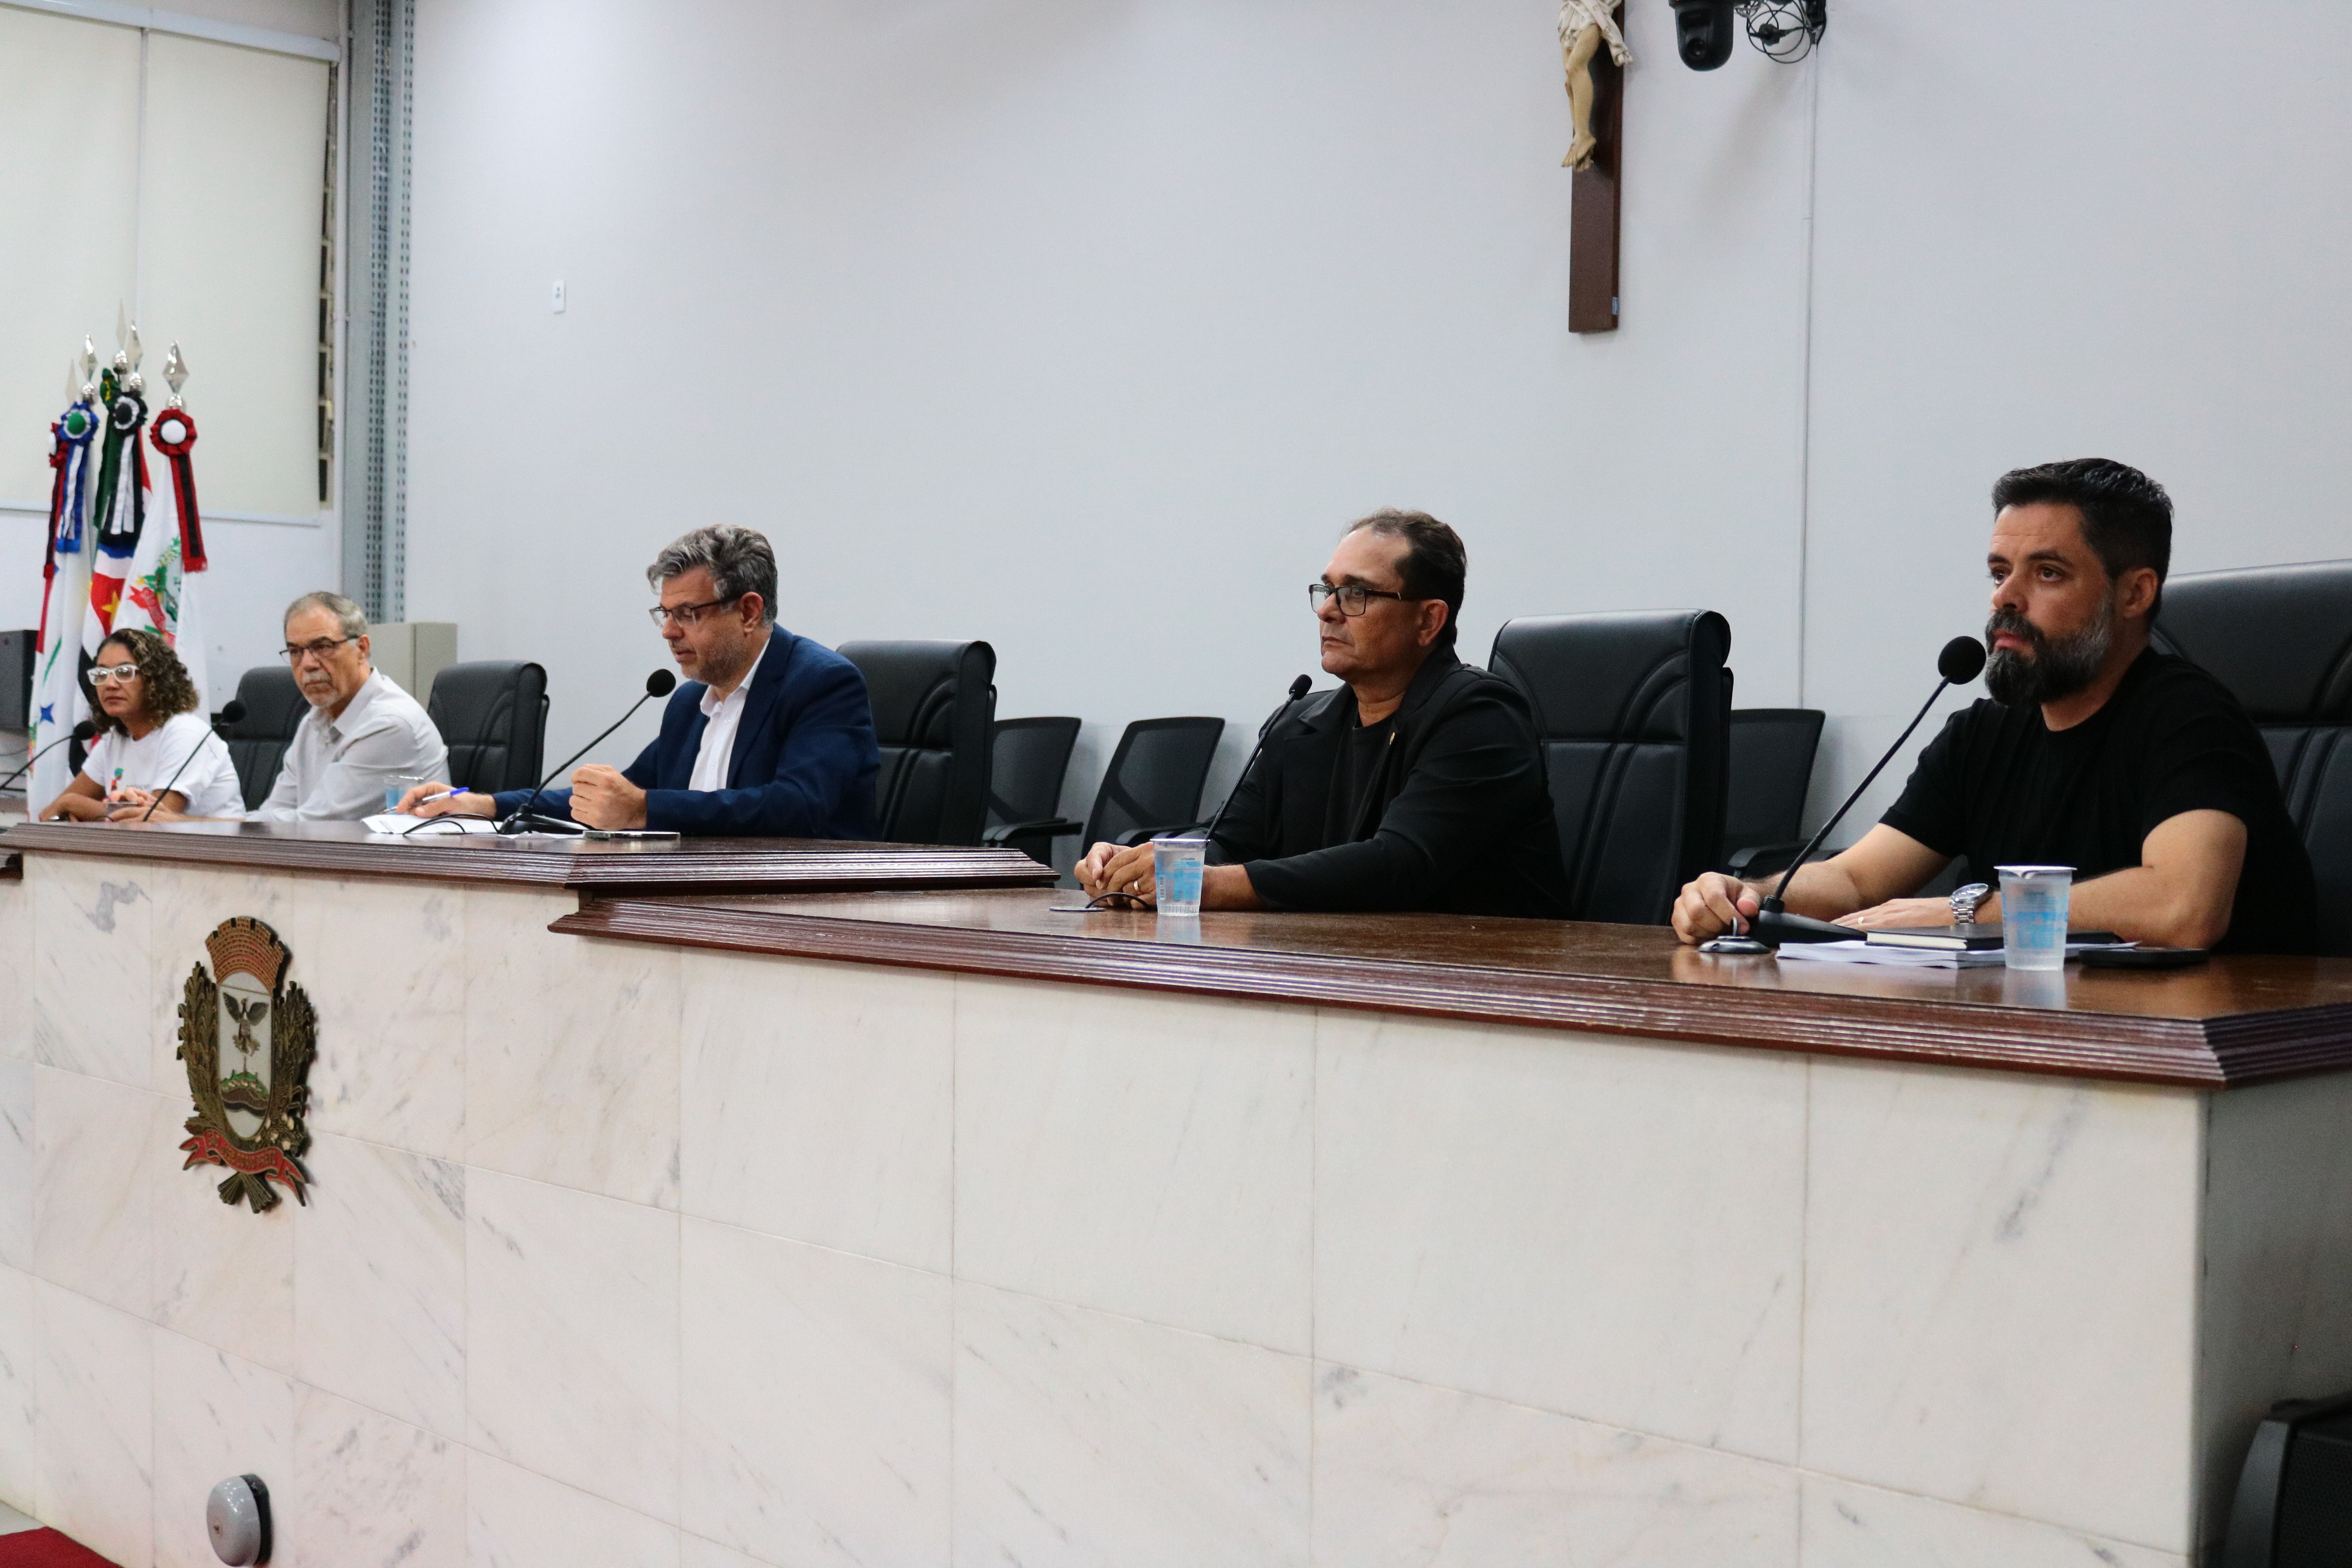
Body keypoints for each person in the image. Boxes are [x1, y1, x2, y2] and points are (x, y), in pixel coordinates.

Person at [1673, 458, 2317, 954]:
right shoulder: (1981, 734)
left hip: (2228, 1056)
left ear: (2134, 594)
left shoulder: (2190, 719)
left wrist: (1961, 914)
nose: (2005, 597)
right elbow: (1855, 882)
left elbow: (2183, 908)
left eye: (2048, 573)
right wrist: (1747, 897)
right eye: (1999, 572)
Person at [1077, 510, 1569, 917]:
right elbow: (1229, 840)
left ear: (1429, 620)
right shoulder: (1302, 722)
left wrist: (1210, 885)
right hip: (1342, 967)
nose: (1327, 610)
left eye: (1357, 593)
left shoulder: (1480, 717)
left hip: (1487, 981)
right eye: (1328, 589)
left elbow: (1399, 864)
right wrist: (1141, 864)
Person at [403, 525, 880, 837]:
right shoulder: (689, 704)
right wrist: (484, 805)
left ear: (749, 612)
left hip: (805, 909)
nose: (669, 631)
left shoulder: (822, 684)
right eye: (665, 614)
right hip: (693, 896)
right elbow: (618, 798)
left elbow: (797, 807)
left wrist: (645, 810)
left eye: (688, 613)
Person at [153, 591, 450, 822]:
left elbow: (316, 826)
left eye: (323, 647)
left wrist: (185, 824)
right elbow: (275, 814)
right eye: (295, 651)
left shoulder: (390, 724)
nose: (307, 664)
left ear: (362, 649)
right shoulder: (314, 720)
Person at [38, 626, 241, 822]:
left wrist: (73, 804)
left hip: (216, 844)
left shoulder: (185, 734)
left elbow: (154, 821)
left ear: (155, 679)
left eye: (125, 672)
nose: (110, 684)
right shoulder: (115, 740)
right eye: (101, 675)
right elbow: (50, 813)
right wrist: (69, 805)